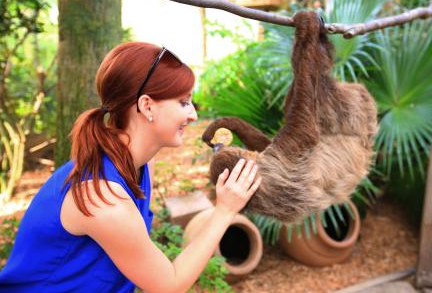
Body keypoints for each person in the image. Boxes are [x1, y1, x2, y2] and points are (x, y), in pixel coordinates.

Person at [0, 42, 262, 293]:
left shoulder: (139, 164)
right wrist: (225, 210)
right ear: (146, 106)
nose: (193, 115)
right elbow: (169, 285)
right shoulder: (104, 199)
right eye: (184, 102)